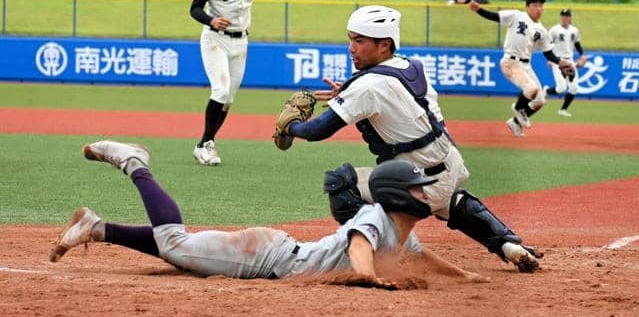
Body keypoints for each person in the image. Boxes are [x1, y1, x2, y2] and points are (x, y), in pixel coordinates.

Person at [275, 5, 543, 272]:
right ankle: (508, 245)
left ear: (384, 45)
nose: (351, 48)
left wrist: (291, 126)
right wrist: (346, 95)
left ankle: (378, 253)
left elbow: (317, 131)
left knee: (340, 183)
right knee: (448, 200)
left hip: (420, 180)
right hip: (450, 164)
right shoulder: (411, 66)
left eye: (359, 41)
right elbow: (391, 98)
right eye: (350, 39)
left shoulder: (367, 86)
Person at [49, 140, 487, 287]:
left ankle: (98, 228)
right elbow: (358, 248)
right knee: (175, 243)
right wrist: (369, 279)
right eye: (418, 188)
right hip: (267, 259)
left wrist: (464, 276)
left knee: (183, 253)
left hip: (274, 253)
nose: (425, 195)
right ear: (396, 195)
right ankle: (134, 162)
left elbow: (423, 257)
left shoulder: (399, 228)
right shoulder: (374, 219)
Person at [189, 0, 259, 166]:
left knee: (228, 98)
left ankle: (203, 144)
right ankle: (207, 145)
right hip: (216, 39)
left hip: (241, 40)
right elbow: (195, 9)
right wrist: (211, 20)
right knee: (220, 90)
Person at [470, 0, 572, 137]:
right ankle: (518, 108)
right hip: (511, 62)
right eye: (535, 5)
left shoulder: (542, 30)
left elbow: (548, 53)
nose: (539, 8)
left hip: (526, 65)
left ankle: (515, 122)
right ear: (527, 7)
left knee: (539, 100)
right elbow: (495, 16)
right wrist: (478, 10)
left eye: (541, 6)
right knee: (531, 89)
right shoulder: (516, 15)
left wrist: (560, 62)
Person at [544, 8, 587, 117]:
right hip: (558, 60)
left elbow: (577, 44)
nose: (565, 17)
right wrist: (549, 59)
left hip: (570, 60)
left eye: (567, 16)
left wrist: (582, 55)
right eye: (563, 15)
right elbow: (547, 45)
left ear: (570, 18)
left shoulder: (574, 30)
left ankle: (563, 110)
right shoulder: (554, 30)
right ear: (561, 17)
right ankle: (546, 91)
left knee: (574, 88)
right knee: (561, 88)